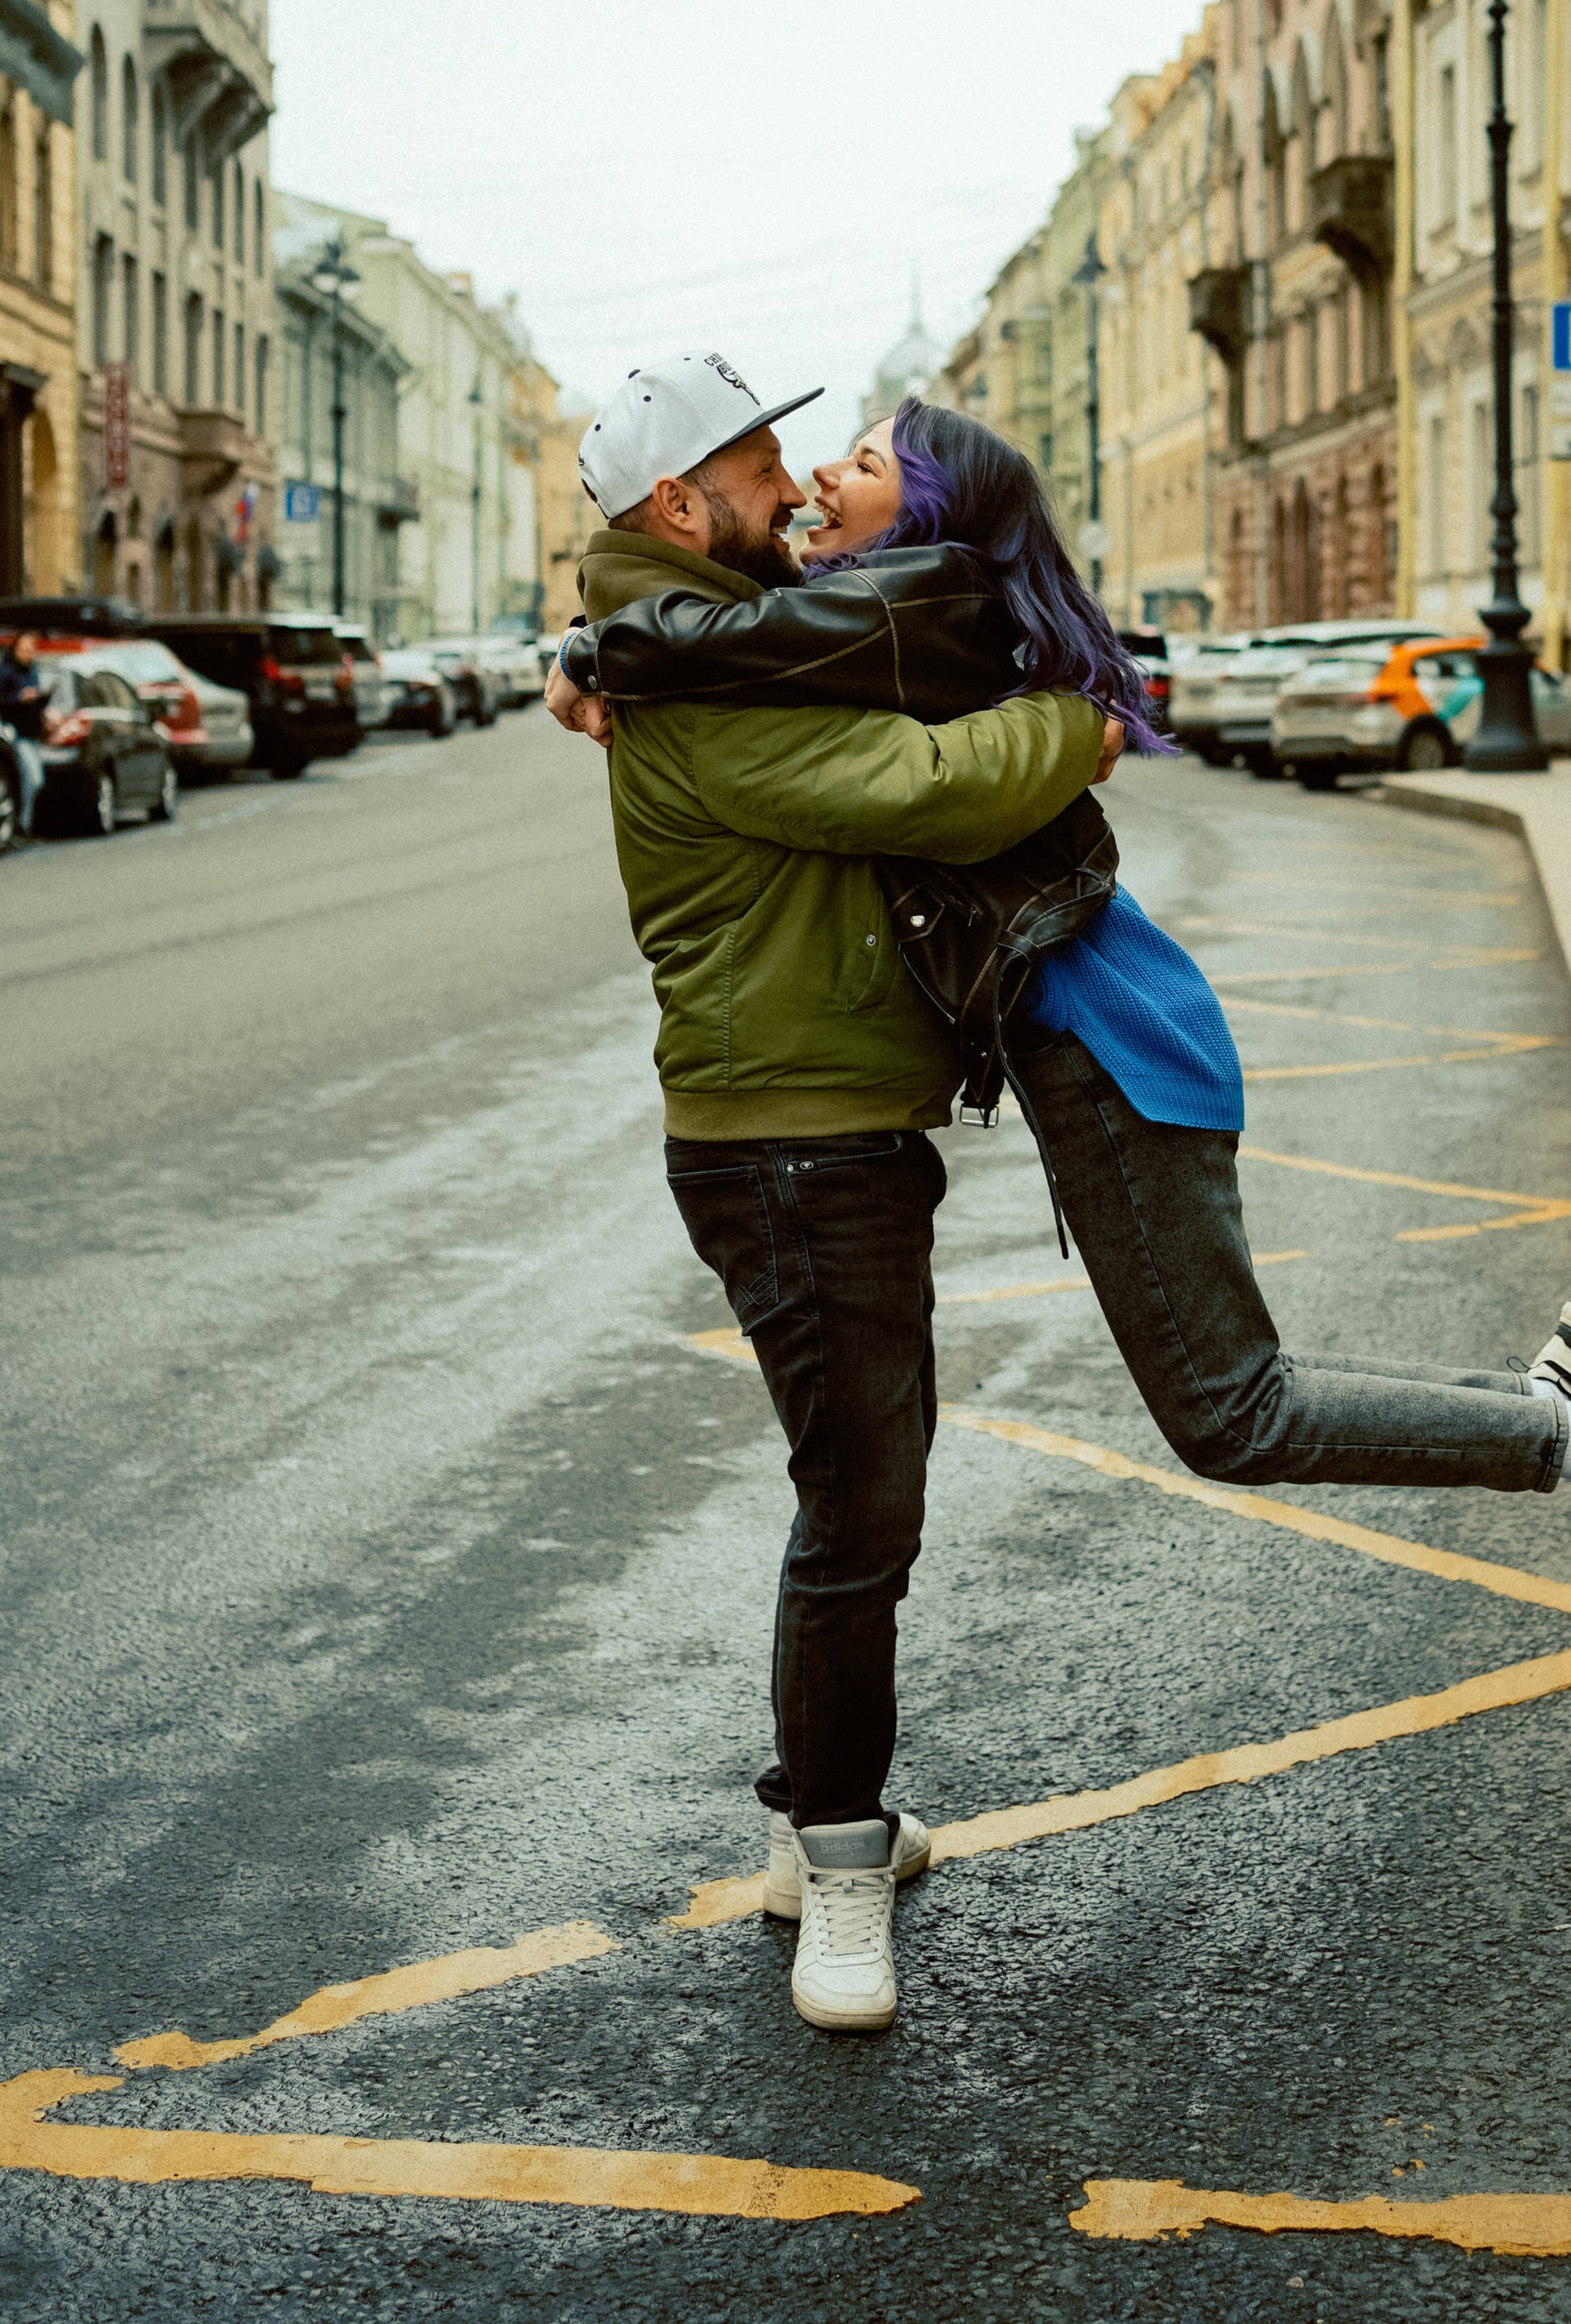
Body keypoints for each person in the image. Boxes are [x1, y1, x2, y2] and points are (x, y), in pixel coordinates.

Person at [555, 390, 1571, 1576]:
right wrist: (581, 648)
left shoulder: (928, 608)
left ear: (924, 521)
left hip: (1112, 1043)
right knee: (1240, 1392)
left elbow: (816, 704)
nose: (816, 480)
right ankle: (1560, 1398)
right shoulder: (875, 635)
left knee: (1232, 1414)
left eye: (861, 466)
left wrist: (600, 651)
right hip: (1119, 1028)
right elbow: (739, 633)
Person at [547, 354, 1118, 2037]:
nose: (795, 488)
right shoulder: (692, 682)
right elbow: (917, 786)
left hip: (826, 1127)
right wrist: (1075, 730)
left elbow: (905, 652)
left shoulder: (701, 636)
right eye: (760, 468)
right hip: (788, 1143)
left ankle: (821, 1824)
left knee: (861, 1493)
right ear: (678, 504)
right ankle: (839, 1868)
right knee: (861, 1513)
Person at [0, 633, 50, 838]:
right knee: (34, 779)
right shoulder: (6, 671)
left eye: (32, 649)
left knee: (29, 779)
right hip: (17, 733)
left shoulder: (33, 670)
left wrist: (43, 702)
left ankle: (24, 825)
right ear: (15, 650)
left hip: (33, 733)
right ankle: (21, 824)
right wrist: (20, 697)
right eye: (24, 649)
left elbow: (36, 700)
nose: (29, 654)